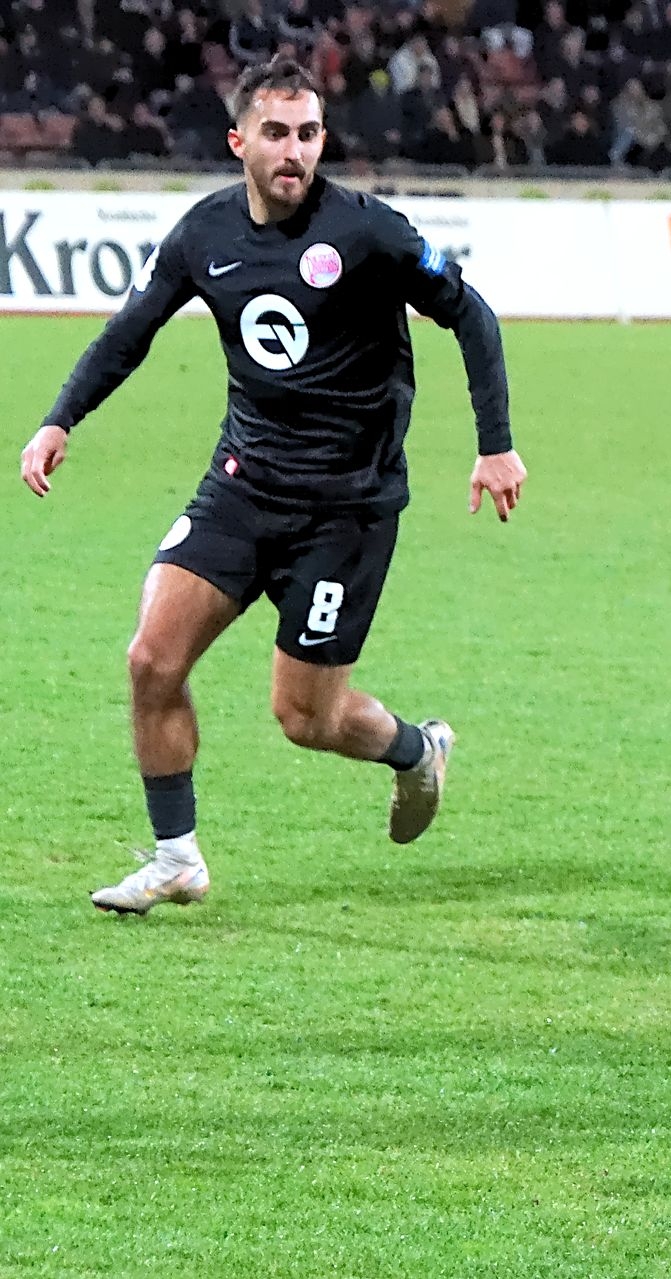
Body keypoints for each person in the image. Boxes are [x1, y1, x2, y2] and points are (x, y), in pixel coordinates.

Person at [17, 55, 527, 915]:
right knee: (151, 659)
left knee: (305, 718)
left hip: (346, 510)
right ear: (238, 141)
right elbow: (130, 330)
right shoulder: (204, 234)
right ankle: (176, 857)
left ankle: (416, 749)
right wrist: (59, 419)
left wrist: (496, 445)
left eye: (310, 134)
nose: (295, 151)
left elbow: (469, 312)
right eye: (277, 133)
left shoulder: (367, 231)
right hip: (243, 488)